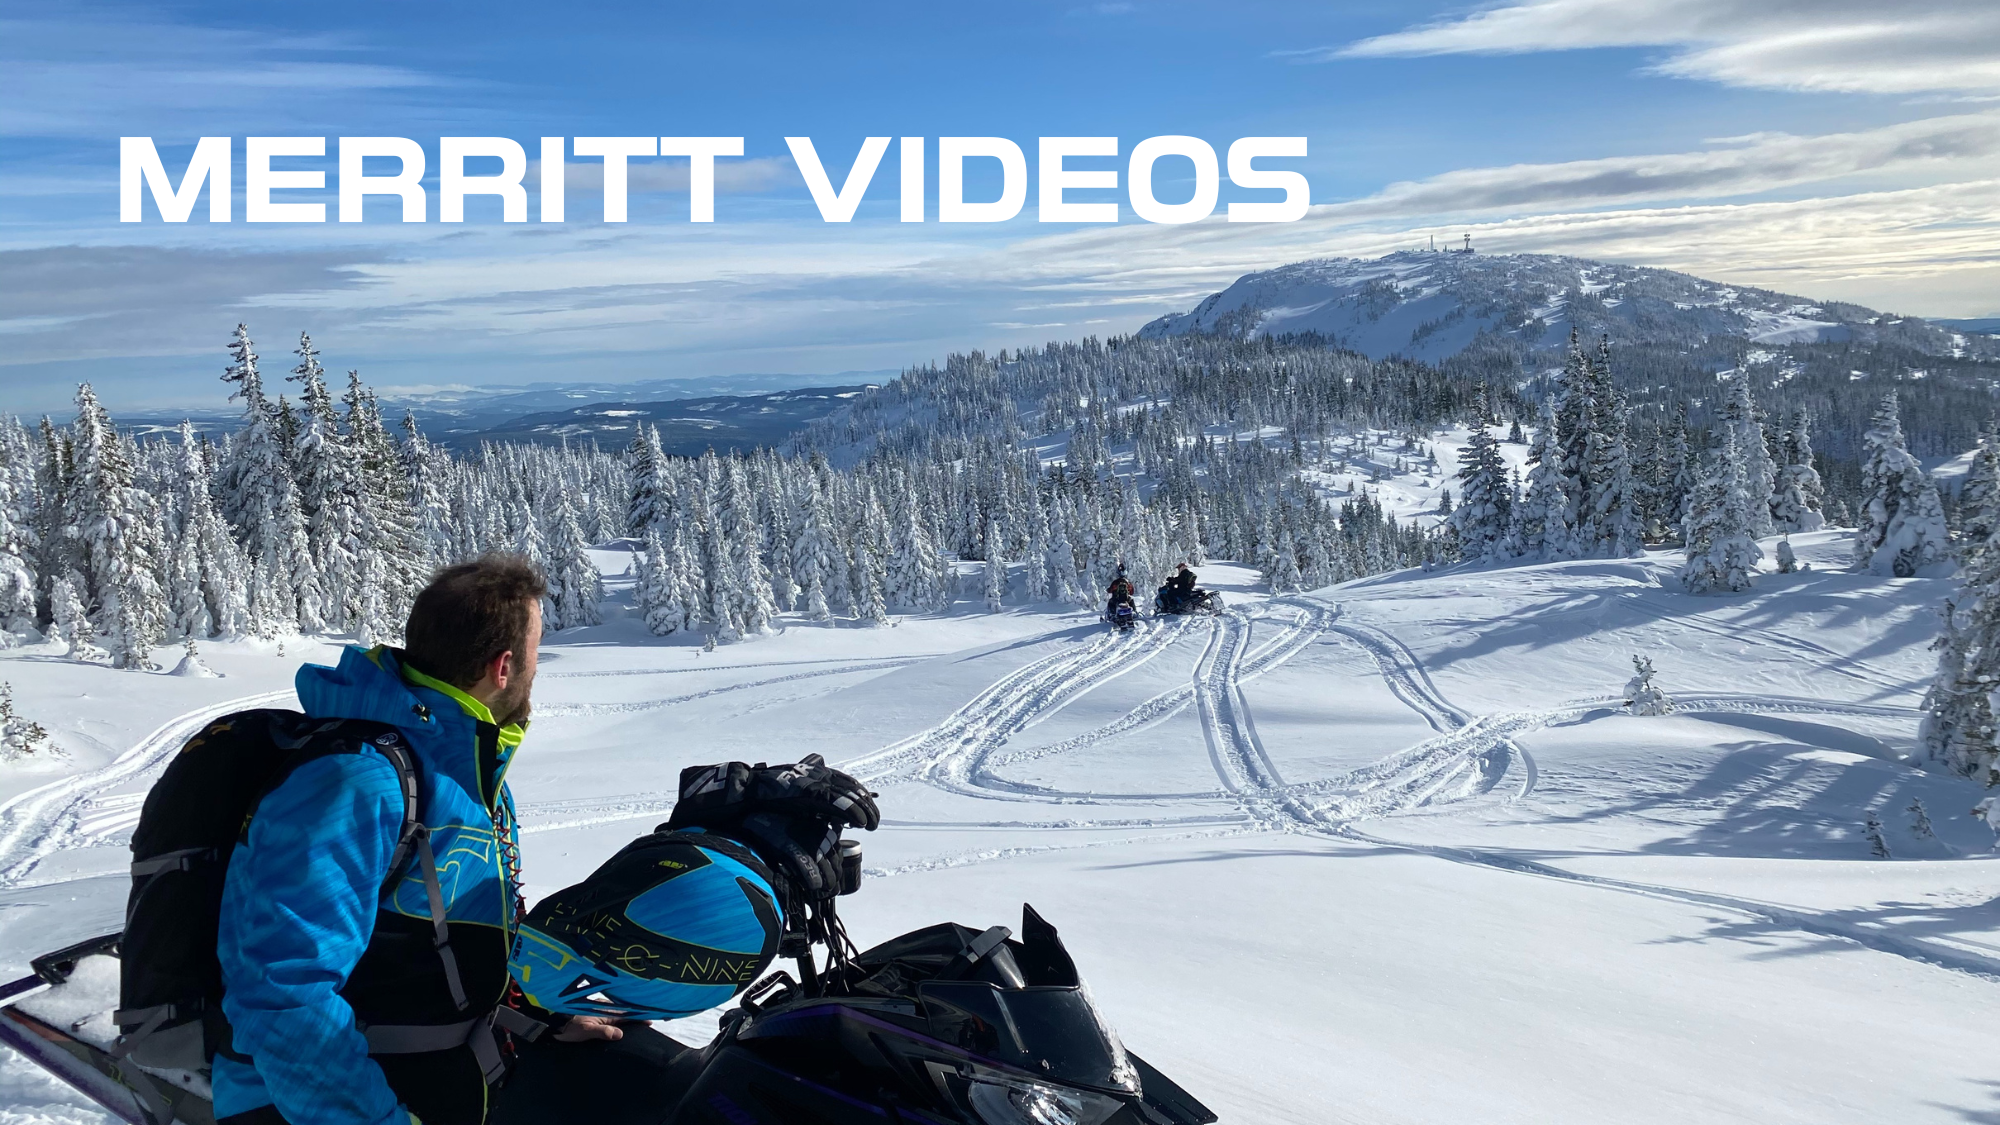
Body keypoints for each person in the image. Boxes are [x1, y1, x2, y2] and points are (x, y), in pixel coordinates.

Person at [215, 556, 613, 1125]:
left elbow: (442, 948)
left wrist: (533, 1022)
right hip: (313, 1106)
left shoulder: (465, 768)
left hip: (433, 1081)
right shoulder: (357, 782)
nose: (535, 669)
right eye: (536, 652)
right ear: (504, 667)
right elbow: (282, 994)